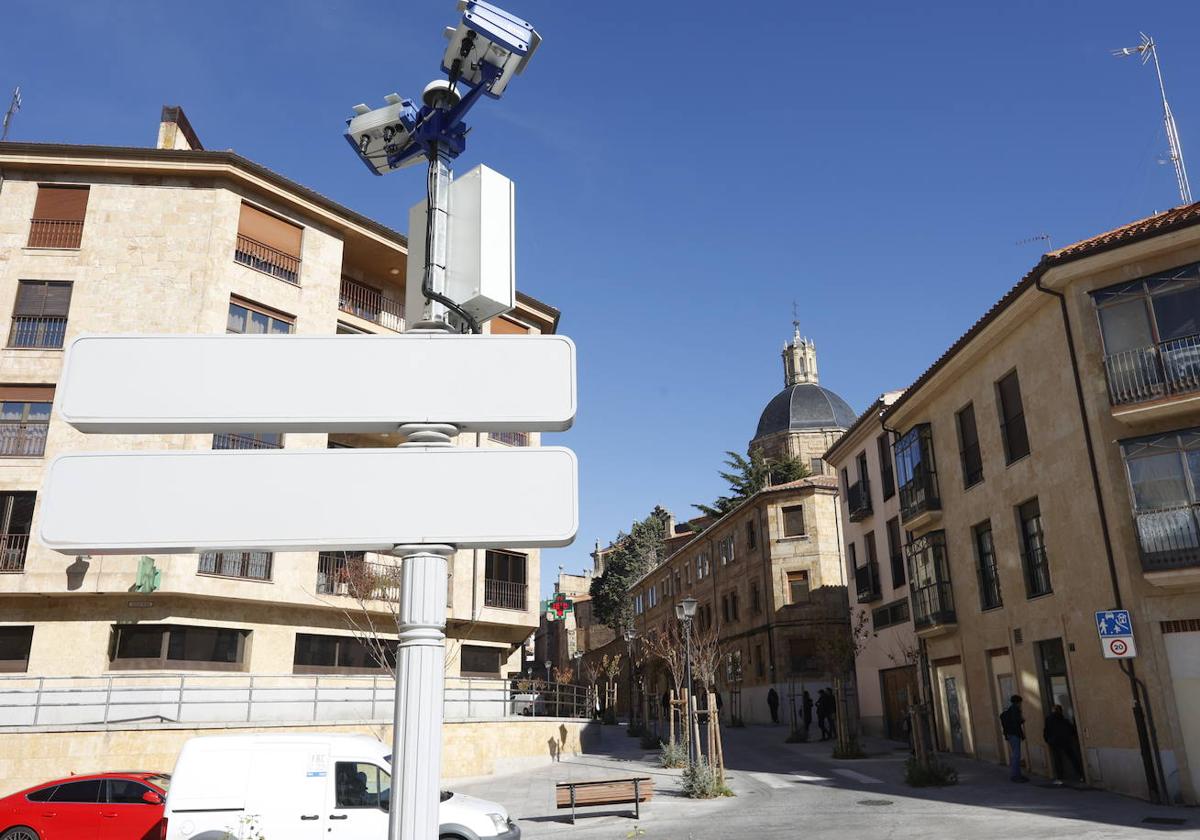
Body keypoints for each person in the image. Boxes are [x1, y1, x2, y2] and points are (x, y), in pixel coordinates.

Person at [1043, 704, 1084, 785]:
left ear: (1053, 710)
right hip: (1065, 741)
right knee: (1072, 757)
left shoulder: (1049, 719)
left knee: (1057, 759)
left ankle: (1060, 778)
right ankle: (1081, 775)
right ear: (1060, 710)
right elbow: (1070, 729)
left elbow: (1046, 731)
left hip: (1054, 741)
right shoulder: (1063, 719)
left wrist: (1047, 739)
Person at [1000, 694, 1028, 782]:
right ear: (1018, 702)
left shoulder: (1009, 710)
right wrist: (1022, 720)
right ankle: (1016, 776)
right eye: (1020, 702)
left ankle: (1017, 774)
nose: (1021, 704)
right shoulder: (1015, 710)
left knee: (1015, 755)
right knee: (1016, 755)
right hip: (1015, 734)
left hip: (1010, 734)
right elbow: (1017, 722)